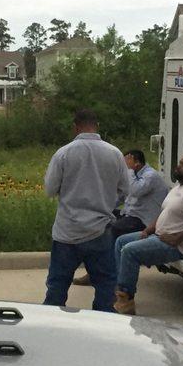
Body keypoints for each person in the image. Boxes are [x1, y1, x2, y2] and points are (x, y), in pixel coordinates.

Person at [43, 109, 129, 312]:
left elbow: (49, 189)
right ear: (96, 126)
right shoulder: (114, 153)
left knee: (57, 285)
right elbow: (125, 191)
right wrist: (107, 204)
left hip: (67, 232)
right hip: (99, 231)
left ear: (75, 127)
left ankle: (51, 323)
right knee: (106, 285)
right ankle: (102, 324)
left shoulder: (64, 153)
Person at [113, 153, 183, 315]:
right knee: (121, 241)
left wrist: (177, 238)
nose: (178, 166)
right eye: (179, 163)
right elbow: (164, 213)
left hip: (177, 245)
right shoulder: (178, 188)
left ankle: (126, 299)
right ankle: (116, 288)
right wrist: (147, 230)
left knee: (130, 251)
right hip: (159, 236)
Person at [73, 149, 168, 286]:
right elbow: (122, 196)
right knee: (100, 222)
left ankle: (111, 275)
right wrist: (103, 209)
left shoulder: (150, 176)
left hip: (144, 220)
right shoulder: (133, 175)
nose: (123, 165)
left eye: (126, 161)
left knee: (113, 230)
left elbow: (135, 191)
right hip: (129, 214)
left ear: (136, 162)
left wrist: (126, 172)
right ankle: (95, 272)